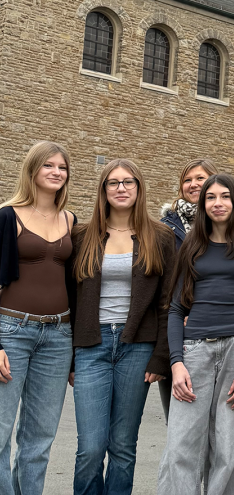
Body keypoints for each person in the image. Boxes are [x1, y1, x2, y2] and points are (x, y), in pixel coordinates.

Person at [157, 174, 234, 494]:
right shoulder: (192, 245)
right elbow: (176, 309)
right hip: (194, 352)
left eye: (225, 197)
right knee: (181, 446)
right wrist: (176, 363)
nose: (218, 203)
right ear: (203, 204)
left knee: (229, 448)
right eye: (211, 197)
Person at [71, 159, 176, 494]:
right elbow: (70, 299)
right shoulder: (81, 236)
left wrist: (161, 357)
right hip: (91, 345)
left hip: (138, 349)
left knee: (122, 446)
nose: (121, 188)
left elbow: (167, 301)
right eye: (113, 183)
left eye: (128, 182)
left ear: (138, 188)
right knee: (90, 447)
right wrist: (70, 358)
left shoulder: (160, 236)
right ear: (103, 190)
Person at [0, 141, 77, 495]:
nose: (56, 172)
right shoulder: (7, 215)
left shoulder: (70, 220)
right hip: (11, 331)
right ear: (32, 170)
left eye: (62, 167)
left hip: (58, 336)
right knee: (0, 432)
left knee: (40, 437)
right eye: (49, 166)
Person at [158, 157, 218, 421]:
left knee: (215, 423)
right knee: (179, 421)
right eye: (187, 180)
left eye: (200, 178)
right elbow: (158, 282)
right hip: (176, 329)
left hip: (218, 328)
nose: (193, 184)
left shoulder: (230, 227)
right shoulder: (164, 228)